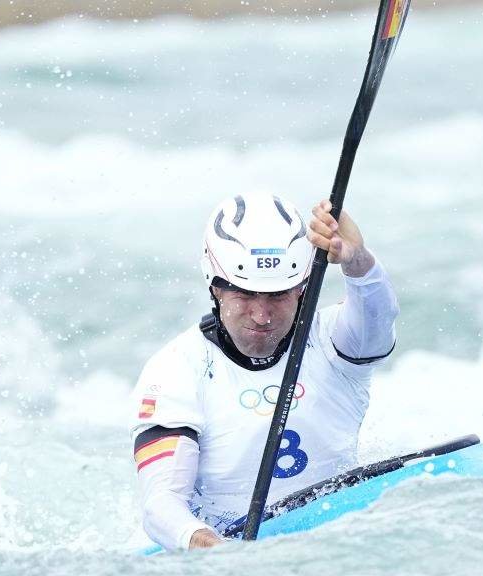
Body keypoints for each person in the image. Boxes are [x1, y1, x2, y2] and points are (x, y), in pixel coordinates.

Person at [129, 191, 399, 550]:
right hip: (233, 545)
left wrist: (357, 261)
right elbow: (160, 505)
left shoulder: (334, 341)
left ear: (303, 288)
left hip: (340, 535)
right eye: (245, 295)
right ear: (215, 288)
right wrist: (218, 553)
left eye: (278, 295)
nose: (262, 315)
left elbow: (379, 321)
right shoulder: (175, 370)